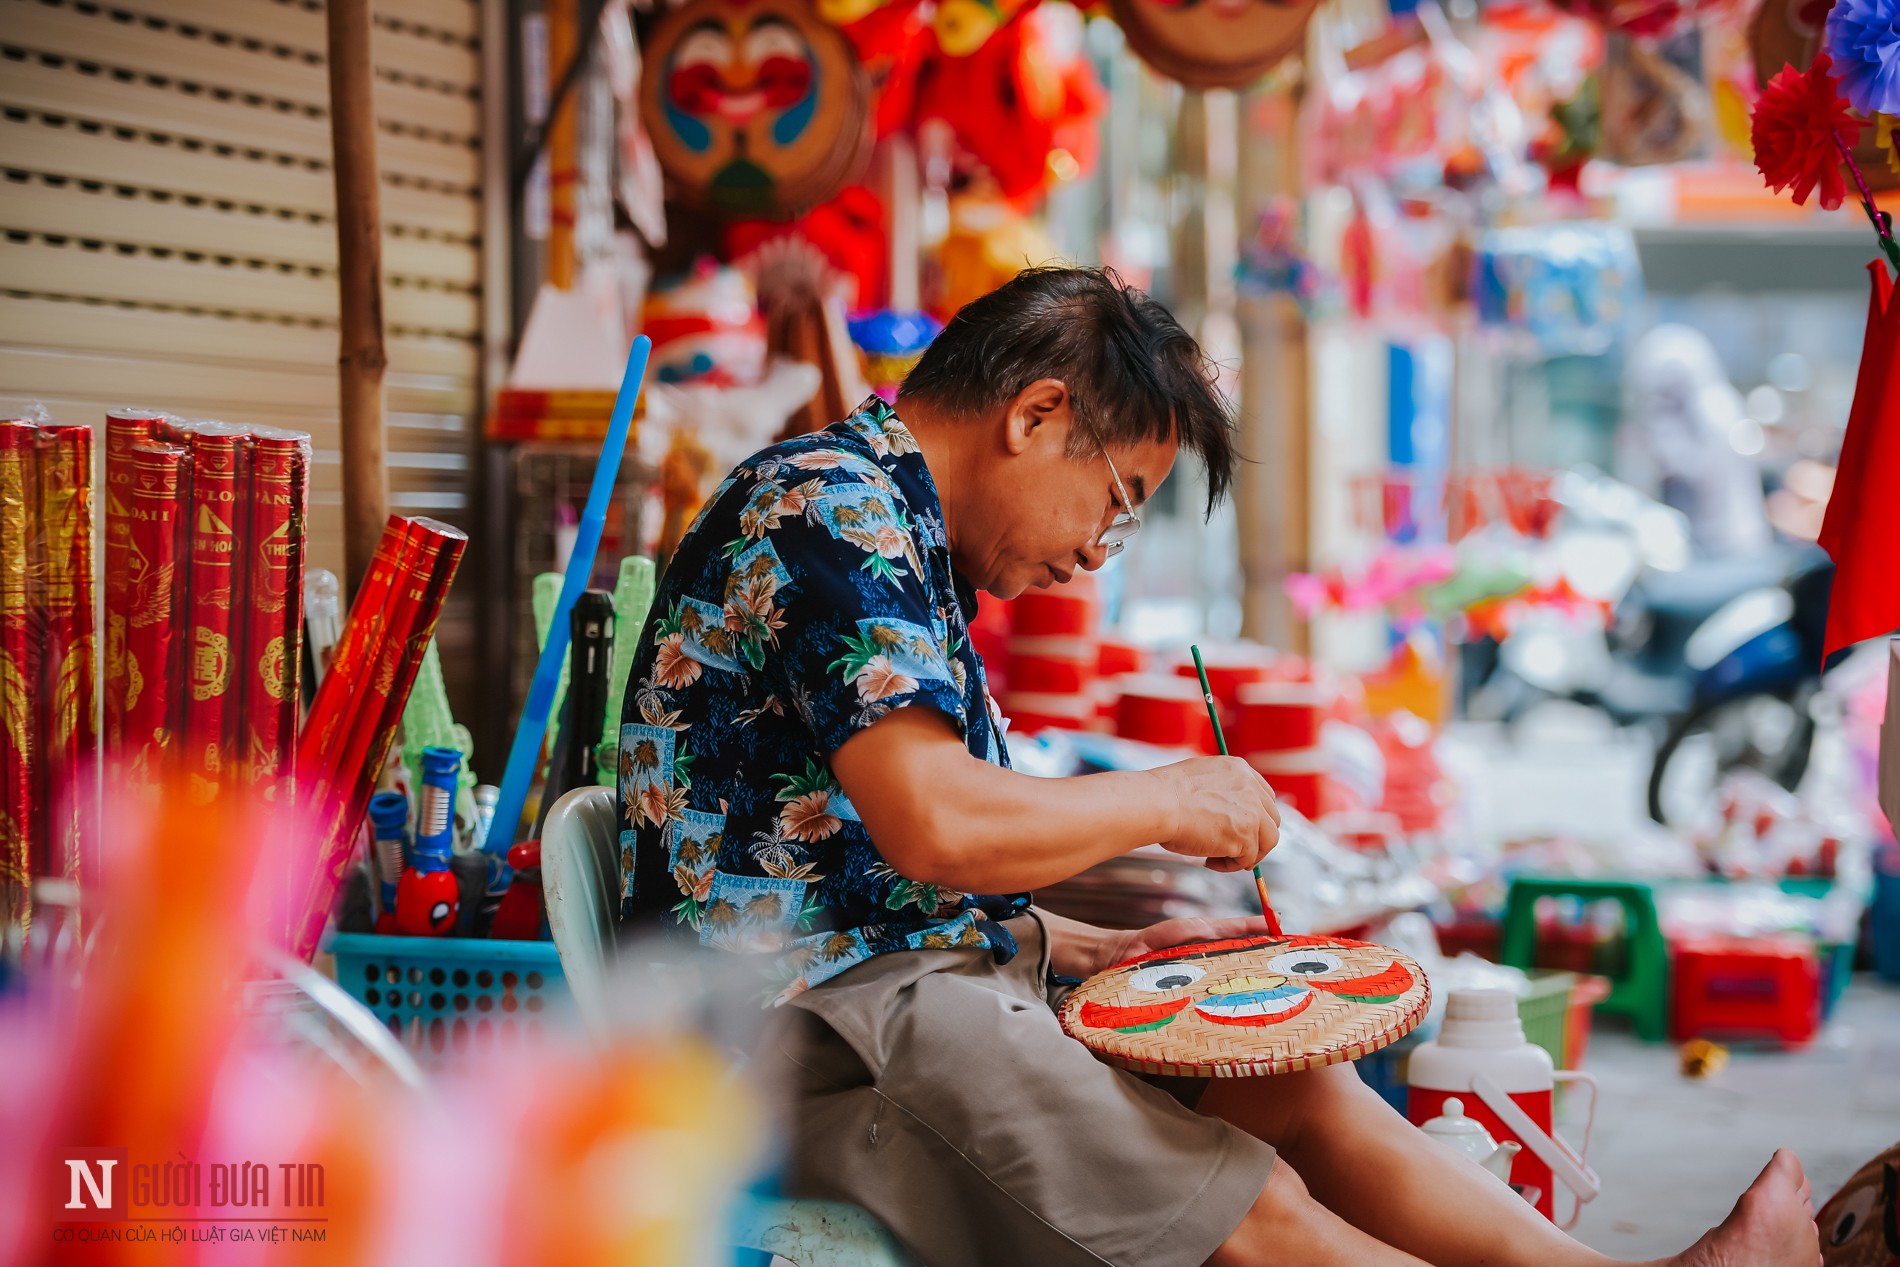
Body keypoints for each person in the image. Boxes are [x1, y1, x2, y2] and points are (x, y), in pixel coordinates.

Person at [616, 266, 1821, 1267]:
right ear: (1035, 416)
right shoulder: (828, 511)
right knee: (1256, 1218)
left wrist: (1081, 951)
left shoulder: (891, 531)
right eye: (1117, 498)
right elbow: (934, 826)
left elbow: (874, 866)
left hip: (888, 999)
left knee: (1287, 1088)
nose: (1099, 548)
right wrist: (1170, 795)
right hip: (793, 1047)